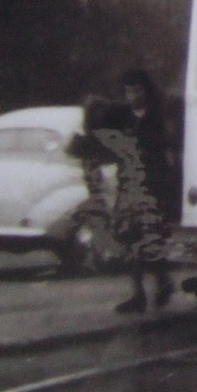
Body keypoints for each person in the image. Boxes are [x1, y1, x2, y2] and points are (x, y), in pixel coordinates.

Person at [75, 70, 180, 312]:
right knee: (130, 237)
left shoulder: (156, 117)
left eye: (137, 90)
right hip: (128, 183)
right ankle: (140, 293)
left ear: (146, 91)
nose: (133, 96)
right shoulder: (121, 116)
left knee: (150, 237)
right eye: (129, 91)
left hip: (151, 184)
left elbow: (164, 149)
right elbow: (101, 131)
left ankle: (161, 282)